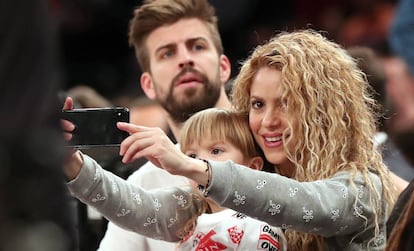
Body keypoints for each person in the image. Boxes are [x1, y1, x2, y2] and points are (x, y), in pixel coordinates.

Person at [64, 30, 395, 250]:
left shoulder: (362, 188)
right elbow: (143, 208)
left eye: (287, 103)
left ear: (324, 110)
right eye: (257, 104)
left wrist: (194, 166)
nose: (268, 121)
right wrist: (73, 165)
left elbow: (302, 202)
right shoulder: (242, 188)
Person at [78, 0, 232, 250]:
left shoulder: (270, 145)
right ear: (147, 85)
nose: (185, 59)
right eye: (167, 53)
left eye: (197, 46)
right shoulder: (145, 184)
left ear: (224, 67)